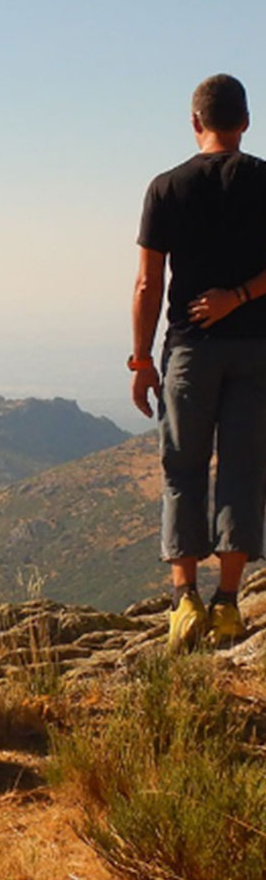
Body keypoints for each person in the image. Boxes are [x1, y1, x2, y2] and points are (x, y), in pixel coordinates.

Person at [131, 73, 266, 652]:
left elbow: (146, 283)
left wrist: (141, 360)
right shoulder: (264, 181)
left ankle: (184, 602)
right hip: (256, 347)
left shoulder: (166, 188)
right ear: (245, 122)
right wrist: (240, 296)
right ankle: (228, 604)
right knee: (243, 469)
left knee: (183, 468)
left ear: (195, 123)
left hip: (188, 349)